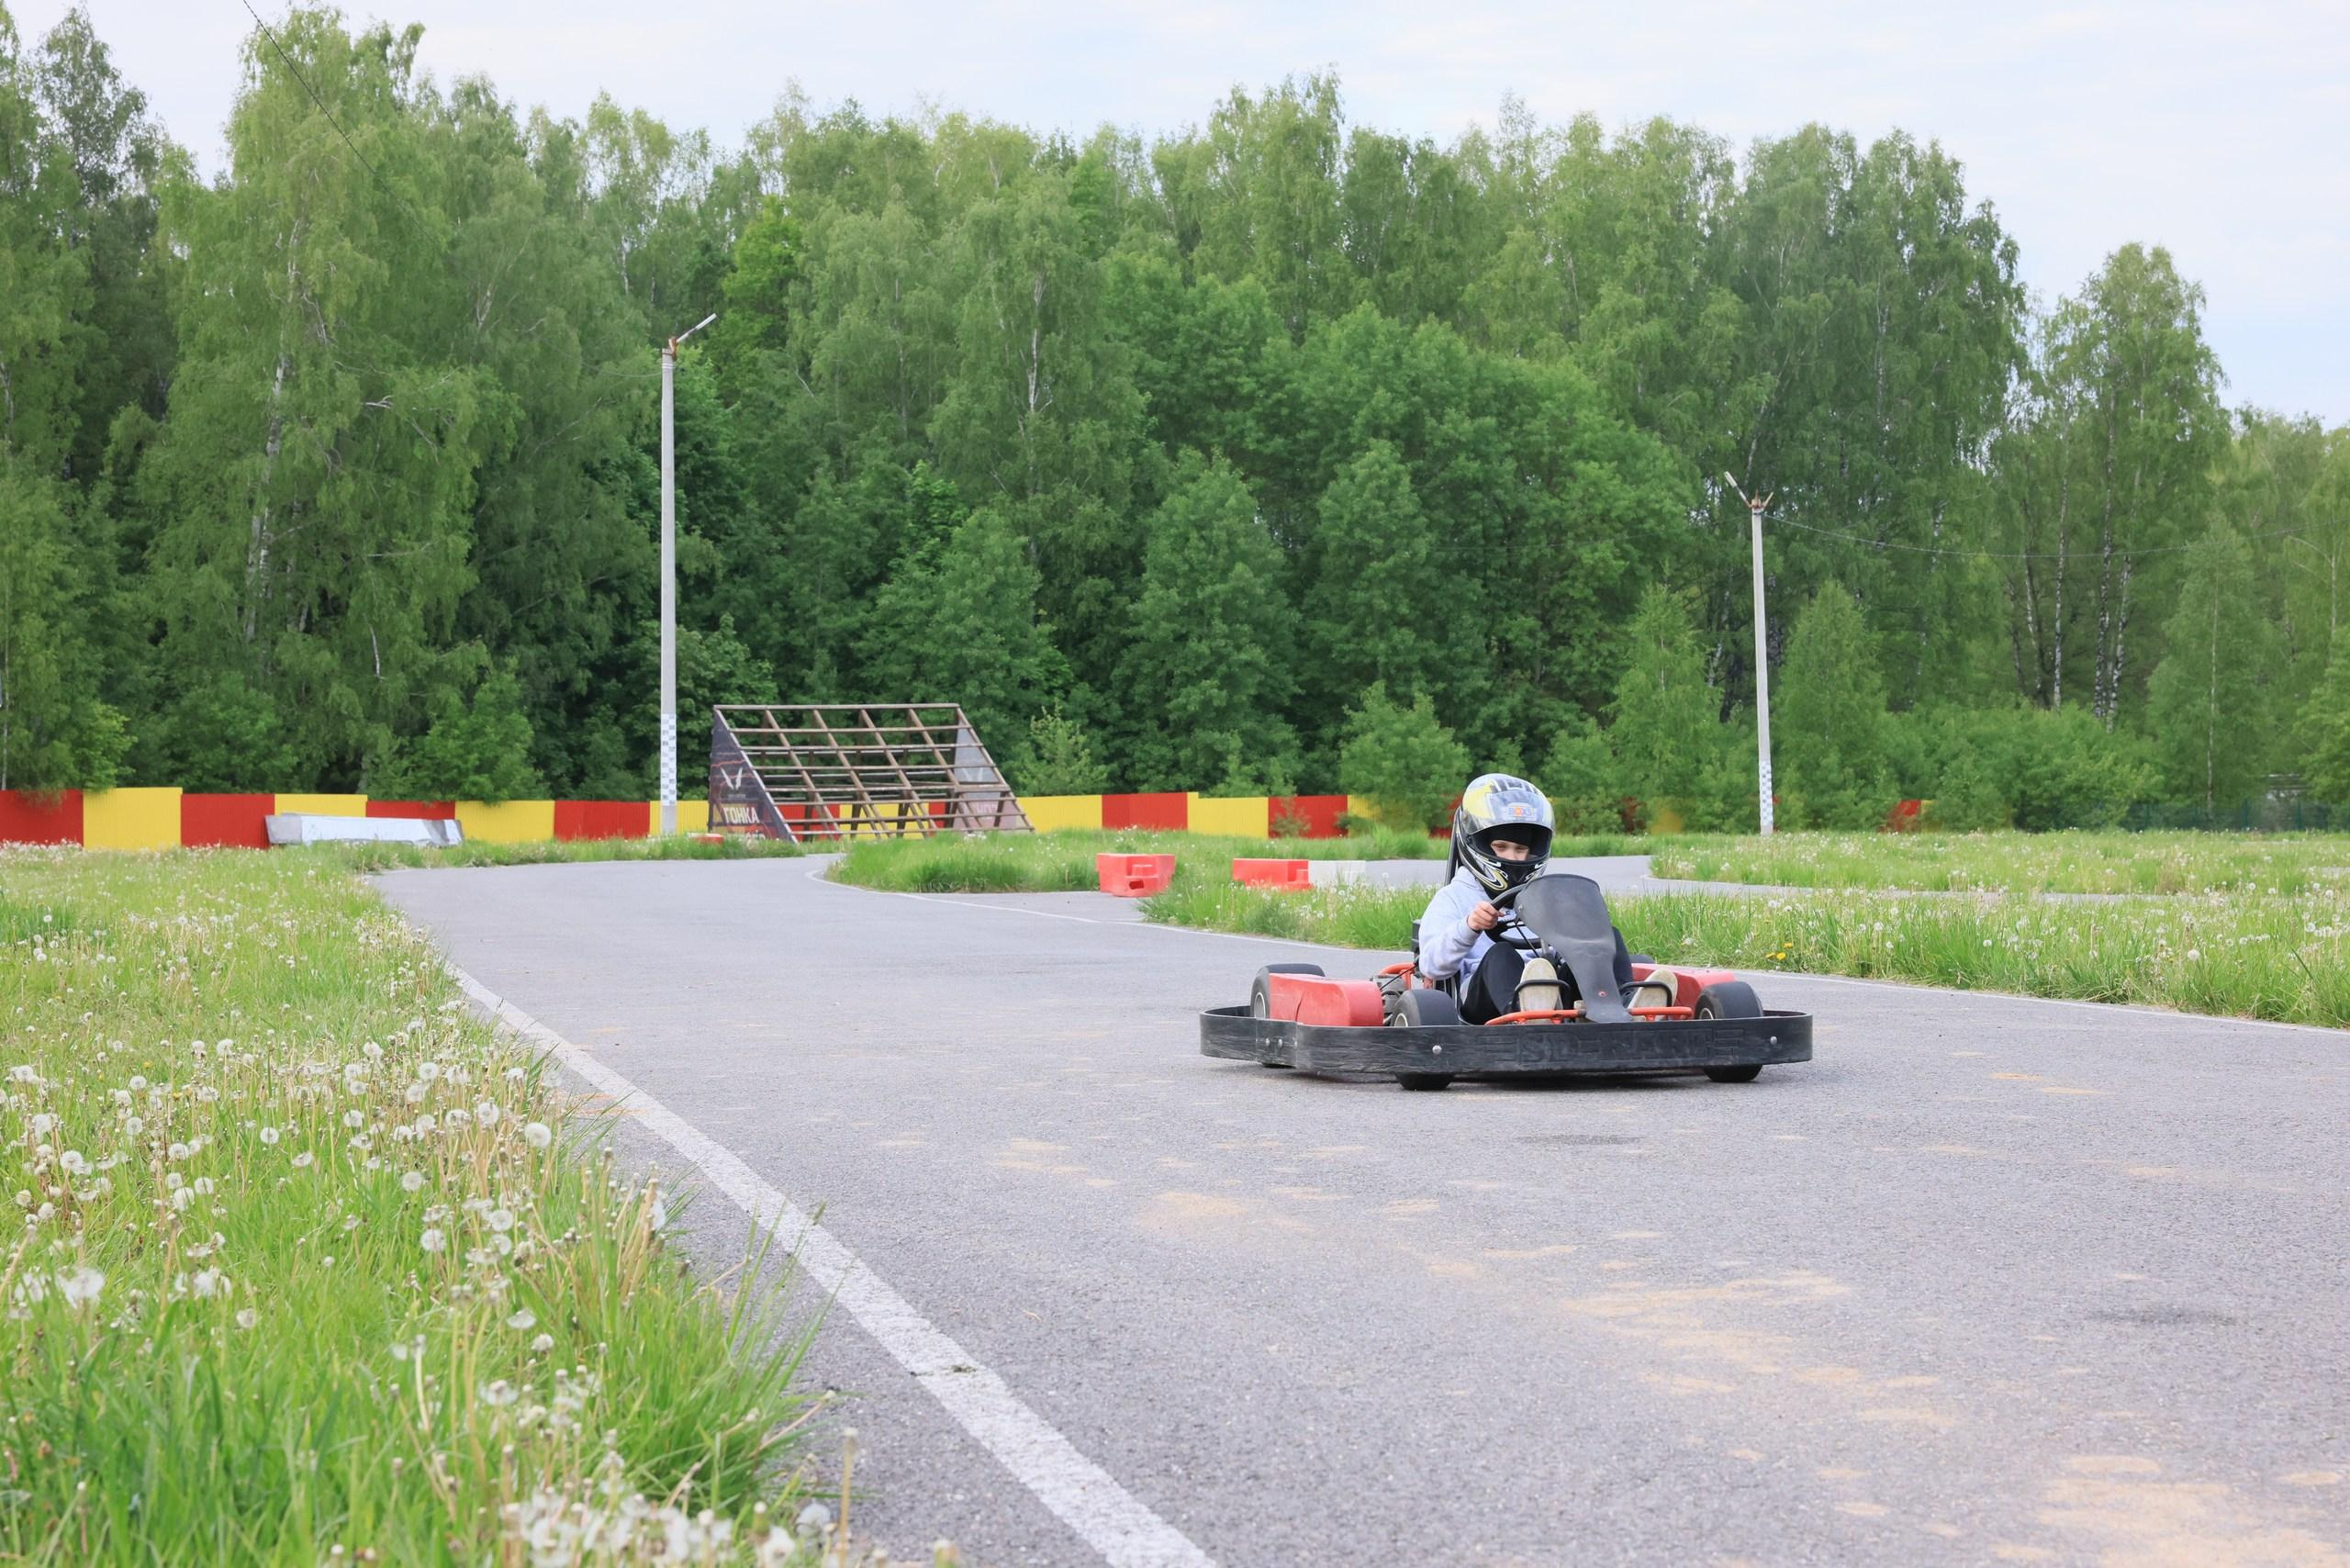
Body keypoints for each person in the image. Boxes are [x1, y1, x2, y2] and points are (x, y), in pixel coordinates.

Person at [1416, 773, 1631, 1023]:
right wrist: (1469, 927)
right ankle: (1526, 1012)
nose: (1514, 857)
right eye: (1502, 847)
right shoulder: (1453, 898)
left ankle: (1623, 1004)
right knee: (1501, 953)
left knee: (1607, 939)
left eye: (1521, 849)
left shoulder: (1547, 896)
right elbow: (1431, 965)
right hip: (1482, 1002)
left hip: (1555, 991)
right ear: (1479, 843)